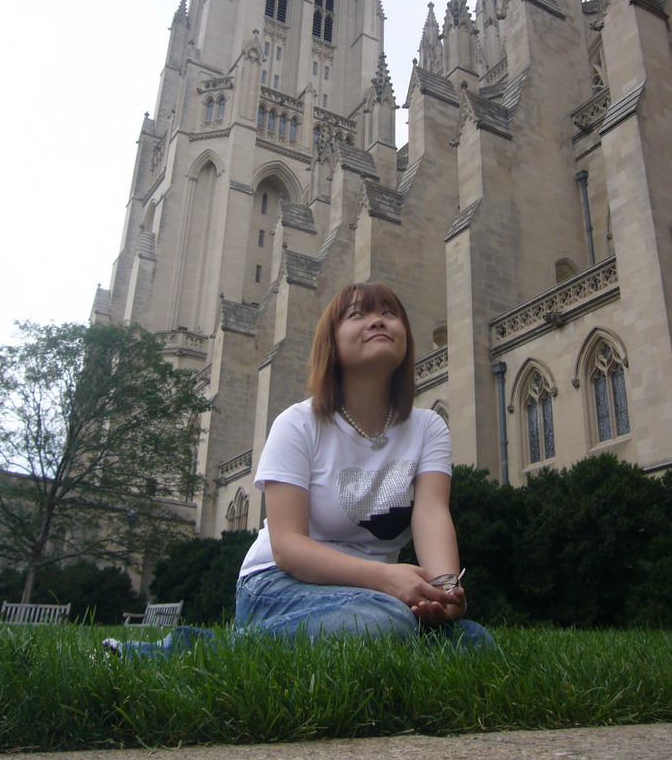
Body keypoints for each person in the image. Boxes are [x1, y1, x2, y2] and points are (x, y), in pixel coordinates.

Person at [104, 282, 492, 658]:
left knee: (472, 642)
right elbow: (288, 547)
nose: (378, 321)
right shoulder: (298, 423)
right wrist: (389, 580)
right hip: (279, 583)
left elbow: (431, 513)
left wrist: (444, 594)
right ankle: (185, 651)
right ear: (332, 346)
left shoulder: (428, 428)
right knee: (382, 623)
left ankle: (373, 636)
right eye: (358, 314)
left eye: (389, 313)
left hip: (378, 596)